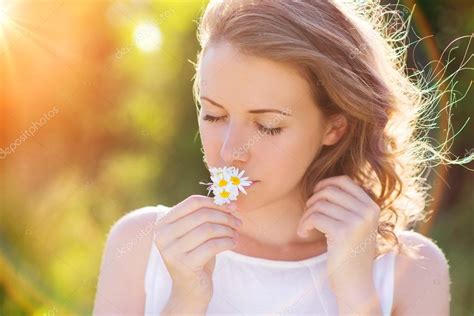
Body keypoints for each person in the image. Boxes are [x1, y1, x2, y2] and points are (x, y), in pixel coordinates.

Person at [94, 0, 456, 314]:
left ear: (335, 127)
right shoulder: (142, 247)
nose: (229, 151)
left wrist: (357, 298)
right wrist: (184, 301)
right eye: (214, 116)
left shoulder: (412, 271)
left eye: (267, 125)